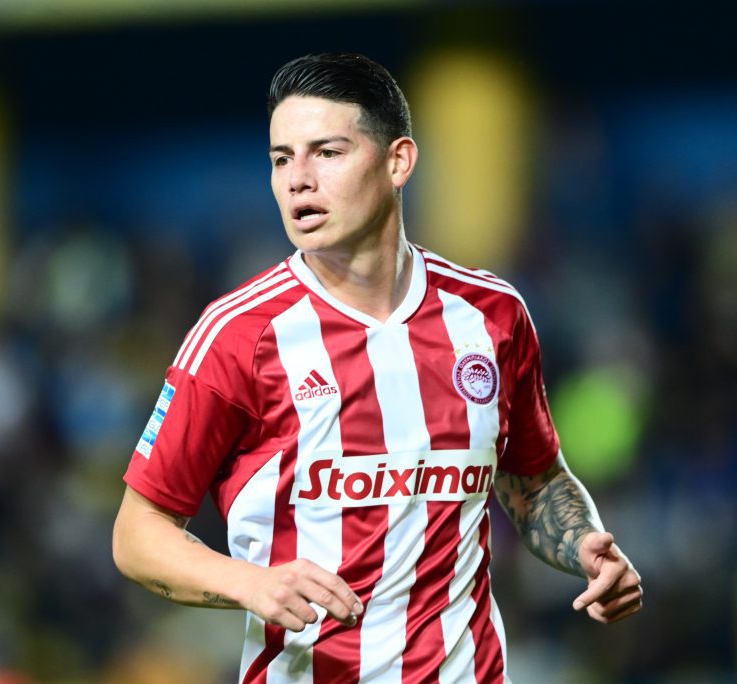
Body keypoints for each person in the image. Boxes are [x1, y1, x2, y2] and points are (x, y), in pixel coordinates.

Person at [112, 52, 642, 683]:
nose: (298, 180)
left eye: (326, 153)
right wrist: (249, 583)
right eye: (281, 159)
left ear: (398, 162)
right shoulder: (238, 335)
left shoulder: (492, 316)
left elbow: (534, 480)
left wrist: (585, 547)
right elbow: (137, 534)